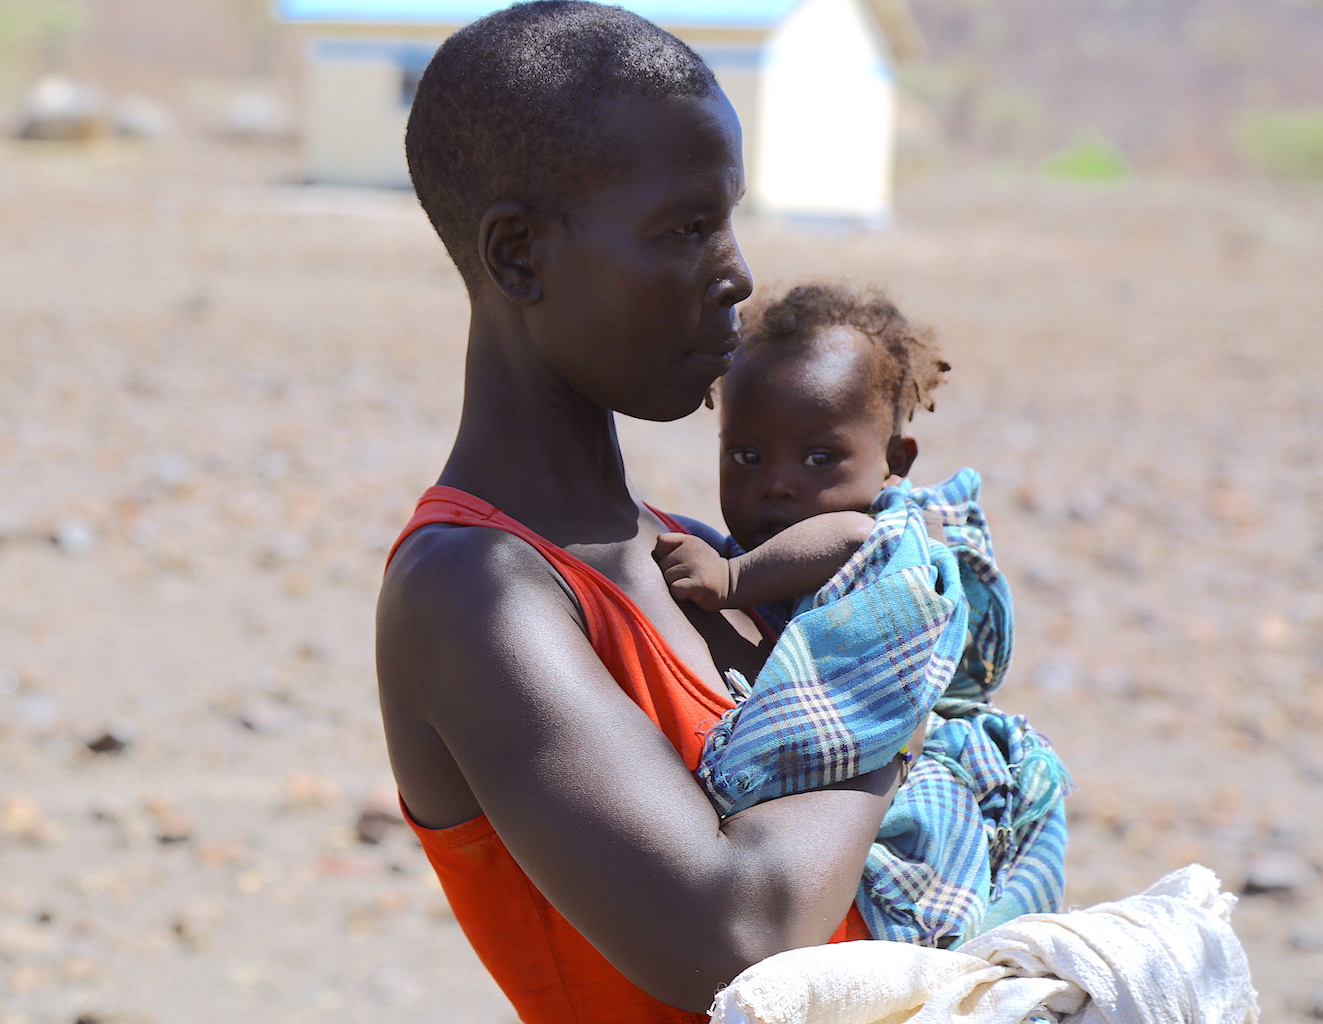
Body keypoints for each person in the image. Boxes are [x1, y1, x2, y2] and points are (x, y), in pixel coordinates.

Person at [376, 4, 924, 1022]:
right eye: (682, 228)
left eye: (728, 217)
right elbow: (737, 938)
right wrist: (897, 677)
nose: (737, 271)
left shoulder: (703, 554)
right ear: (519, 256)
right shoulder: (470, 591)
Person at [655, 283, 1071, 948]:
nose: (778, 482)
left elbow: (851, 536)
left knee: (931, 890)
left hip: (918, 756)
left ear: (894, 463)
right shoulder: (759, 551)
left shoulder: (891, 541)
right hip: (843, 804)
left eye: (820, 457)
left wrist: (732, 578)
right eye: (746, 455)